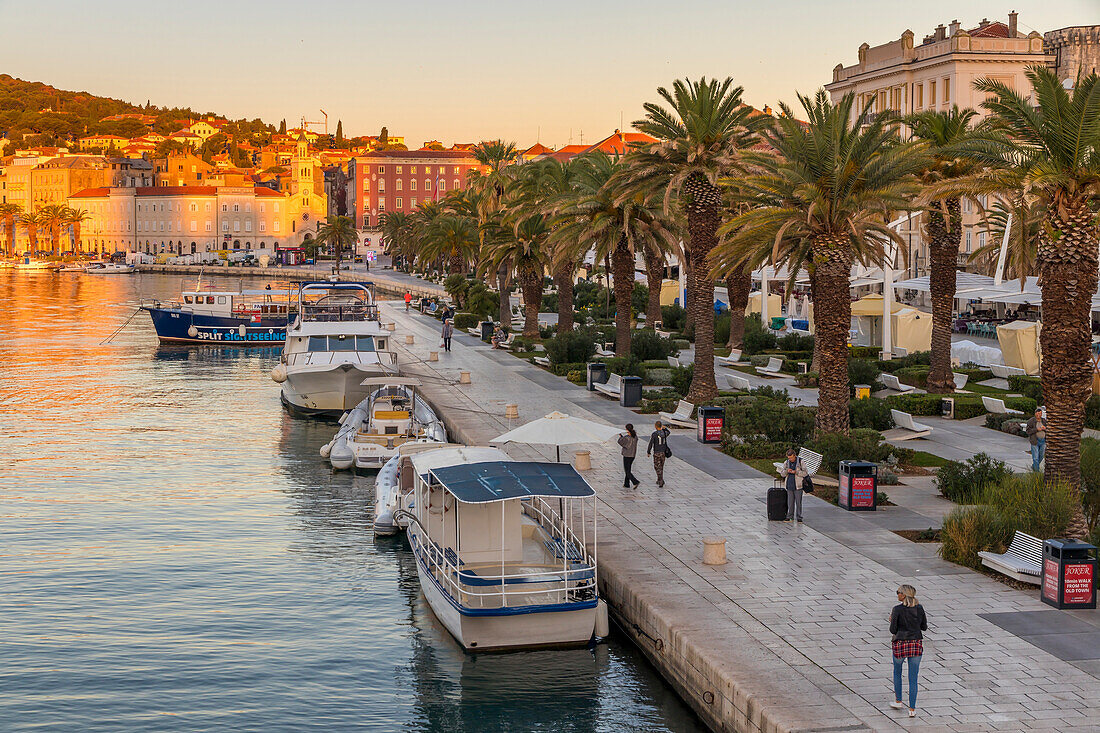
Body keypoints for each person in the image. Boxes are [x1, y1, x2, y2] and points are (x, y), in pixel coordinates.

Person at [889, 584, 927, 718]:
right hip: (915, 643)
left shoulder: (897, 609)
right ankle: (912, 709)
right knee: (913, 677)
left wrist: (891, 620)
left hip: (900, 643)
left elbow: (893, 630)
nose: (897, 594)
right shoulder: (919, 608)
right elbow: (924, 627)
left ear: (904, 595)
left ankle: (898, 701)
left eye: (898, 592)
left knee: (897, 672)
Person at [782, 448, 807, 523]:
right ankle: (790, 516)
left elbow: (805, 473)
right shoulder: (786, 462)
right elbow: (782, 474)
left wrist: (796, 472)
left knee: (798, 502)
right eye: (788, 458)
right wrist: (787, 471)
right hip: (789, 484)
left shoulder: (800, 462)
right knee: (790, 502)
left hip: (798, 485)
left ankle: (799, 517)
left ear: (794, 456)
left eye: (791, 458)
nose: (790, 459)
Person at [646, 421, 671, 488]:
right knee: (661, 466)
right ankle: (659, 479)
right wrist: (665, 428)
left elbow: (651, 443)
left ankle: (660, 481)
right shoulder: (664, 433)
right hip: (663, 452)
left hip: (657, 452)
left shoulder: (654, 434)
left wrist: (648, 451)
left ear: (655, 426)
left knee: (657, 467)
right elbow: (669, 432)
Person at [618, 424, 640, 489]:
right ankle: (626, 484)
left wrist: (620, 437)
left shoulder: (627, 437)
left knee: (627, 471)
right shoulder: (635, 437)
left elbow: (620, 442)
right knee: (628, 469)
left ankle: (635, 481)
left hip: (627, 455)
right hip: (632, 455)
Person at [1026, 406, 1046, 472]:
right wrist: (1037, 429)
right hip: (1035, 441)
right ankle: (1036, 472)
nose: (1039, 415)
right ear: (1035, 413)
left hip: (1043, 441)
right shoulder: (1031, 421)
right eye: (1037, 413)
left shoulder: (1044, 421)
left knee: (1041, 456)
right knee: (1035, 458)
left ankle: (1034, 466)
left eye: (1040, 413)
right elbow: (1028, 431)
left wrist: (1045, 429)